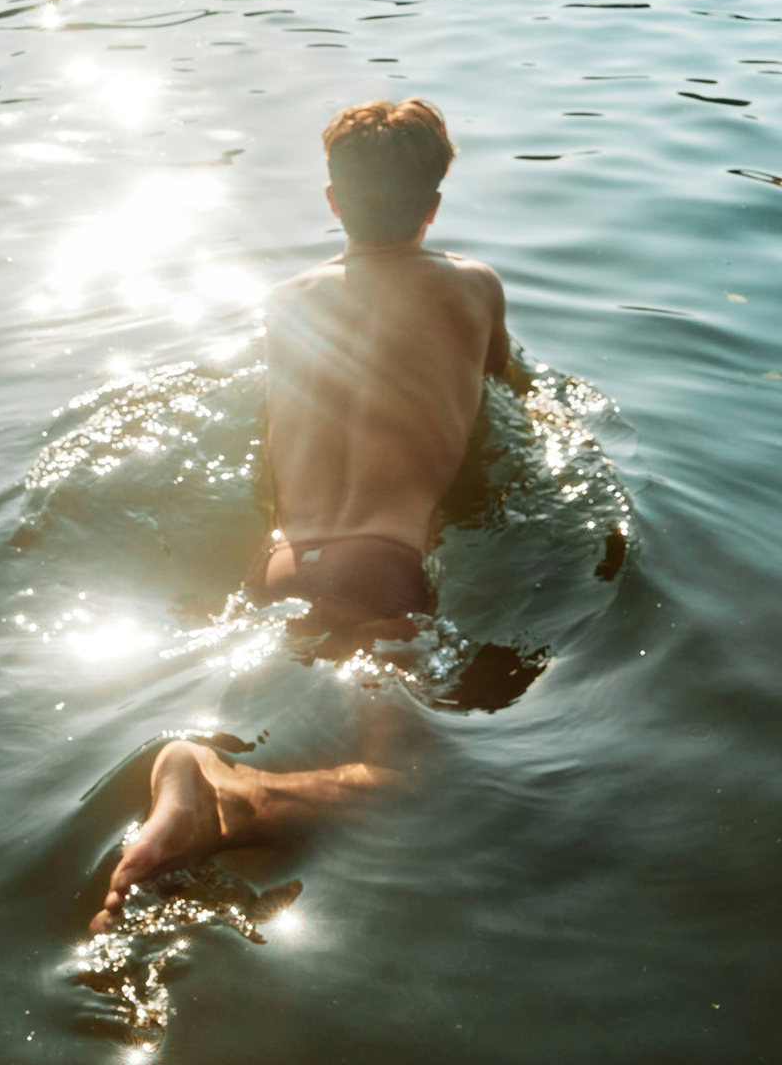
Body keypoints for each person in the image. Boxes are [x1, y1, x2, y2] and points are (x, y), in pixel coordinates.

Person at [91, 99, 515, 933]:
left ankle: (213, 810)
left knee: (297, 699)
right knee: (405, 781)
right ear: (434, 206)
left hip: (278, 562)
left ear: (332, 202)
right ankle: (235, 797)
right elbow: (502, 395)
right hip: (381, 565)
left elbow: (272, 432)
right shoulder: (474, 286)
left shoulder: (286, 300)